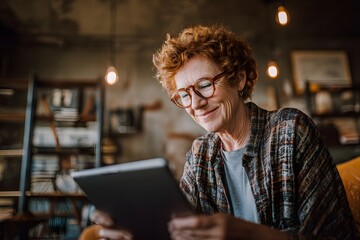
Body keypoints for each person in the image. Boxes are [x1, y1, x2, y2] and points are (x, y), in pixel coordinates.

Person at [91, 25, 358, 239]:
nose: (195, 103)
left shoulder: (290, 131)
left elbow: (336, 234)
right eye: (184, 95)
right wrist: (137, 230)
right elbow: (179, 229)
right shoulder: (200, 155)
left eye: (205, 85)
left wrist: (248, 235)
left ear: (239, 78)